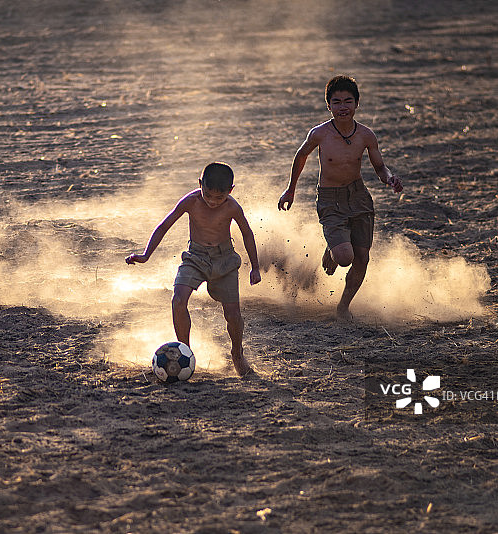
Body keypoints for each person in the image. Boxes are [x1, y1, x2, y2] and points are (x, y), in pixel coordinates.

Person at [278, 75, 403, 320]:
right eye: (336, 102)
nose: (343, 107)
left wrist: (389, 178)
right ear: (329, 106)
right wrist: (290, 189)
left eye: (348, 101)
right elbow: (300, 157)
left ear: (357, 104)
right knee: (345, 257)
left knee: (362, 257)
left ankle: (343, 306)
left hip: (358, 197)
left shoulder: (366, 135)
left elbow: (379, 168)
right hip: (329, 198)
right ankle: (333, 249)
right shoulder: (319, 134)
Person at [126, 162, 261, 376]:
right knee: (178, 300)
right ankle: (183, 351)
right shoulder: (190, 201)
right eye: (208, 195)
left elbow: (247, 234)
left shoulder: (232, 207)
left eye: (220, 197)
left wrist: (255, 267)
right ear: (200, 185)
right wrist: (145, 255)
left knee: (233, 314)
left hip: (225, 260)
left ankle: (237, 352)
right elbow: (164, 226)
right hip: (195, 257)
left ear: (231, 191)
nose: (213, 202)